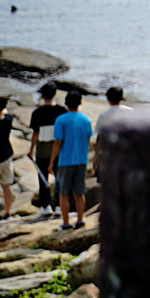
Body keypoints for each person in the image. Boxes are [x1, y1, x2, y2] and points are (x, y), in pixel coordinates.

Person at [49, 91, 93, 230]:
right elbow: (88, 139)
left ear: (65, 103)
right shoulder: (86, 119)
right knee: (79, 192)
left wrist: (51, 162)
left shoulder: (61, 120)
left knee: (63, 193)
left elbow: (57, 142)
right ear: (80, 103)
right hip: (81, 160)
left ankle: (66, 222)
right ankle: (80, 220)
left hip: (65, 161)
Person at [27, 82, 64, 217]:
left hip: (42, 149)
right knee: (59, 177)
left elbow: (35, 134)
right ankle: (60, 205)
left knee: (43, 178)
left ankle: (45, 206)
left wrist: (31, 150)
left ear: (42, 96)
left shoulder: (37, 112)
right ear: (55, 94)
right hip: (58, 149)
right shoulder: (61, 111)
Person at [92, 86, 134, 181]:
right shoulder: (131, 112)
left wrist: (96, 157)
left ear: (107, 98)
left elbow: (100, 137)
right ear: (122, 97)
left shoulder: (104, 115)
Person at [0, 98, 15, 218]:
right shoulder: (9, 120)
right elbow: (6, 114)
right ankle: (8, 211)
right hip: (6, 156)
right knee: (6, 186)